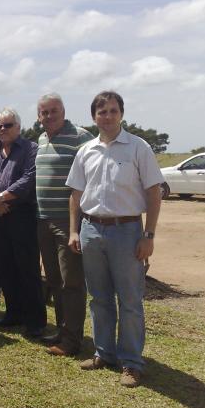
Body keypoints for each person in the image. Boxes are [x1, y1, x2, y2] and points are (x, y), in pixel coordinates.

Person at [66, 91, 163, 388]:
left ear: (121, 113)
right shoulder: (86, 151)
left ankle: (131, 362)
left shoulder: (138, 148)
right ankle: (104, 353)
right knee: (99, 298)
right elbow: (76, 195)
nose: (107, 116)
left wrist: (149, 235)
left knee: (130, 300)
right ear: (93, 116)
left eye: (112, 111)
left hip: (127, 231)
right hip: (92, 230)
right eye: (101, 111)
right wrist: (74, 229)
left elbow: (154, 192)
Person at [0, 107, 47, 337]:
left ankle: (35, 321)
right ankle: (13, 313)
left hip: (21, 216)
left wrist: (2, 197)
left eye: (7, 125)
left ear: (18, 127)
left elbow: (29, 178)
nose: (2, 130)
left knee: (27, 268)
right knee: (4, 266)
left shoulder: (30, 150)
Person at [35, 93, 94, 356]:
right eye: (44, 112)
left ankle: (72, 340)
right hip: (43, 219)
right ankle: (62, 330)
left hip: (68, 220)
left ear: (63, 111)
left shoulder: (81, 138)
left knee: (72, 282)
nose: (49, 116)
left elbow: (93, 174)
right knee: (55, 280)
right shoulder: (41, 139)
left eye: (53, 111)